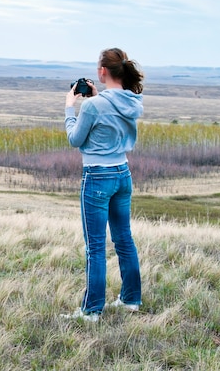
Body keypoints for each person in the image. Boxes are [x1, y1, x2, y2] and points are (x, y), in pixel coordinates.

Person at [60, 47, 144, 322]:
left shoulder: (94, 106)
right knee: (124, 239)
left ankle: (91, 310)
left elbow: (75, 139)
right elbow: (112, 116)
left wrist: (69, 108)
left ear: (102, 72)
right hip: (123, 173)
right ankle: (131, 299)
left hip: (97, 176)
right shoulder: (132, 101)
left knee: (95, 247)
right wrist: (98, 98)